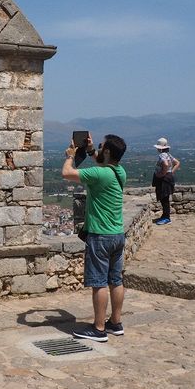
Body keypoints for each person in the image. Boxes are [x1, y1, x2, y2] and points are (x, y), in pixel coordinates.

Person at [62, 133, 127, 342]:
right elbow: (100, 159)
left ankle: (98, 329)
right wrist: (90, 150)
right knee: (115, 280)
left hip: (100, 236)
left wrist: (70, 155)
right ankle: (115, 323)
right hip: (117, 234)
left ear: (107, 151)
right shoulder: (119, 172)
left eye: (100, 146)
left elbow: (67, 173)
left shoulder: (99, 174)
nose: (98, 148)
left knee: (99, 283)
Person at [152, 137, 180, 225]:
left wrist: (162, 174)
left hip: (163, 180)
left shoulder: (162, 155)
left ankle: (166, 218)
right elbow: (177, 163)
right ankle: (165, 216)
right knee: (165, 199)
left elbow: (166, 164)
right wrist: (171, 172)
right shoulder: (168, 154)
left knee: (164, 199)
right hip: (168, 178)